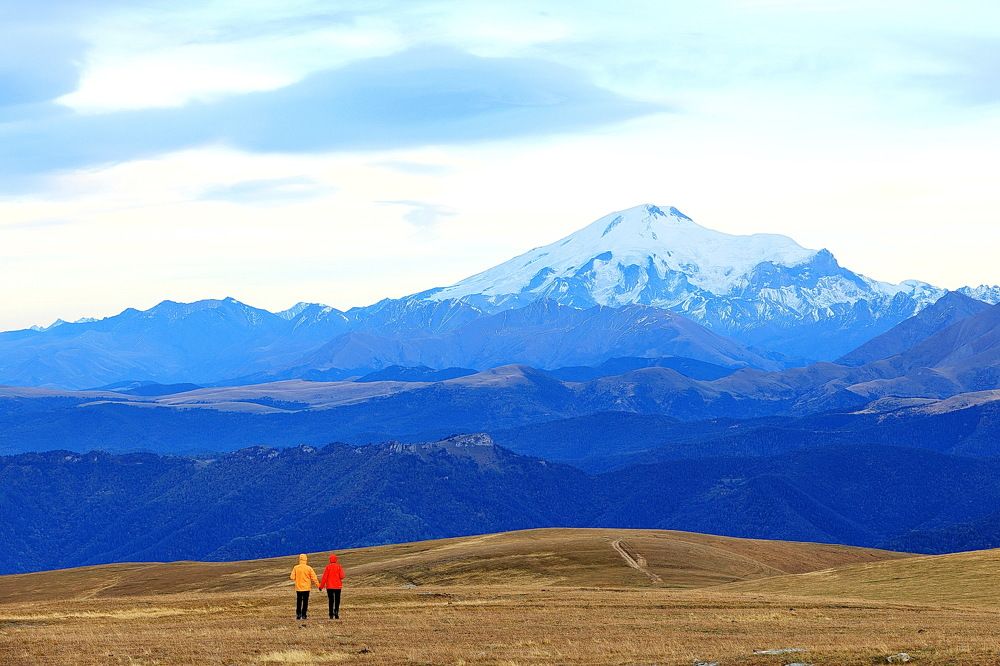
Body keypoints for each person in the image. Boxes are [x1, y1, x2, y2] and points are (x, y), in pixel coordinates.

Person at [289, 553, 321, 620]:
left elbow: (292, 577)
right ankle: (304, 615)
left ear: (299, 559)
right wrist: (319, 585)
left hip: (298, 588)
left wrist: (298, 577)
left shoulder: (296, 567)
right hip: (306, 588)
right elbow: (314, 578)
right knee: (305, 601)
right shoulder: (309, 568)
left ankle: (298, 615)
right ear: (306, 559)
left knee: (299, 601)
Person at [319, 553, 346, 619]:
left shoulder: (328, 567)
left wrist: (321, 586)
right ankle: (336, 613)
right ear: (336, 560)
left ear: (330, 560)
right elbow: (342, 576)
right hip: (337, 586)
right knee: (337, 600)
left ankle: (331, 614)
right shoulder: (339, 566)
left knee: (331, 600)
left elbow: (324, 578)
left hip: (329, 587)